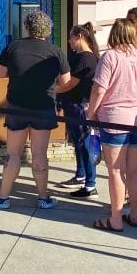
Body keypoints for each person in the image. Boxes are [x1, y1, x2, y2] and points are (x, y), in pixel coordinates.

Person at [0, 10, 71, 211]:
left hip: (17, 105)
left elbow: (0, 74)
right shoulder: (55, 52)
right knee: (39, 153)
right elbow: (66, 81)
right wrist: (51, 88)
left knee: (12, 154)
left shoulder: (13, 47)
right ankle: (43, 197)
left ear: (27, 27)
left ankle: (2, 197)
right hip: (44, 106)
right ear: (47, 30)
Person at [86, 18, 137, 231]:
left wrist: (92, 113)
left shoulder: (110, 56)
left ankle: (115, 218)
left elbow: (99, 89)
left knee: (115, 171)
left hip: (114, 118)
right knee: (135, 170)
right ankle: (135, 213)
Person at [55, 23, 99, 198]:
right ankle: (81, 175)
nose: (69, 40)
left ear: (80, 36)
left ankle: (90, 184)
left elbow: (70, 84)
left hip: (80, 105)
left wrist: (51, 89)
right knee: (78, 143)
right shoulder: (78, 56)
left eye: (72, 36)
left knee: (85, 144)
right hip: (72, 104)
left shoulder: (86, 59)